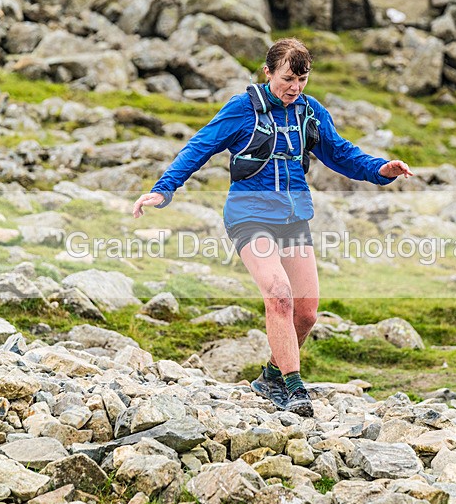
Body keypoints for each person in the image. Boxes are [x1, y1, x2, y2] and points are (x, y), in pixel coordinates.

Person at [133, 38, 413, 417]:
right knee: (279, 294)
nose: (295, 88)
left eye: (302, 79)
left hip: (293, 218)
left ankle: (270, 377)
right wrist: (163, 189)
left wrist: (380, 169)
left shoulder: (310, 112)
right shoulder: (241, 109)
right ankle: (294, 389)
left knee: (306, 313)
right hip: (248, 216)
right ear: (267, 73)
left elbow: (341, 153)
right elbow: (198, 147)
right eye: (287, 79)